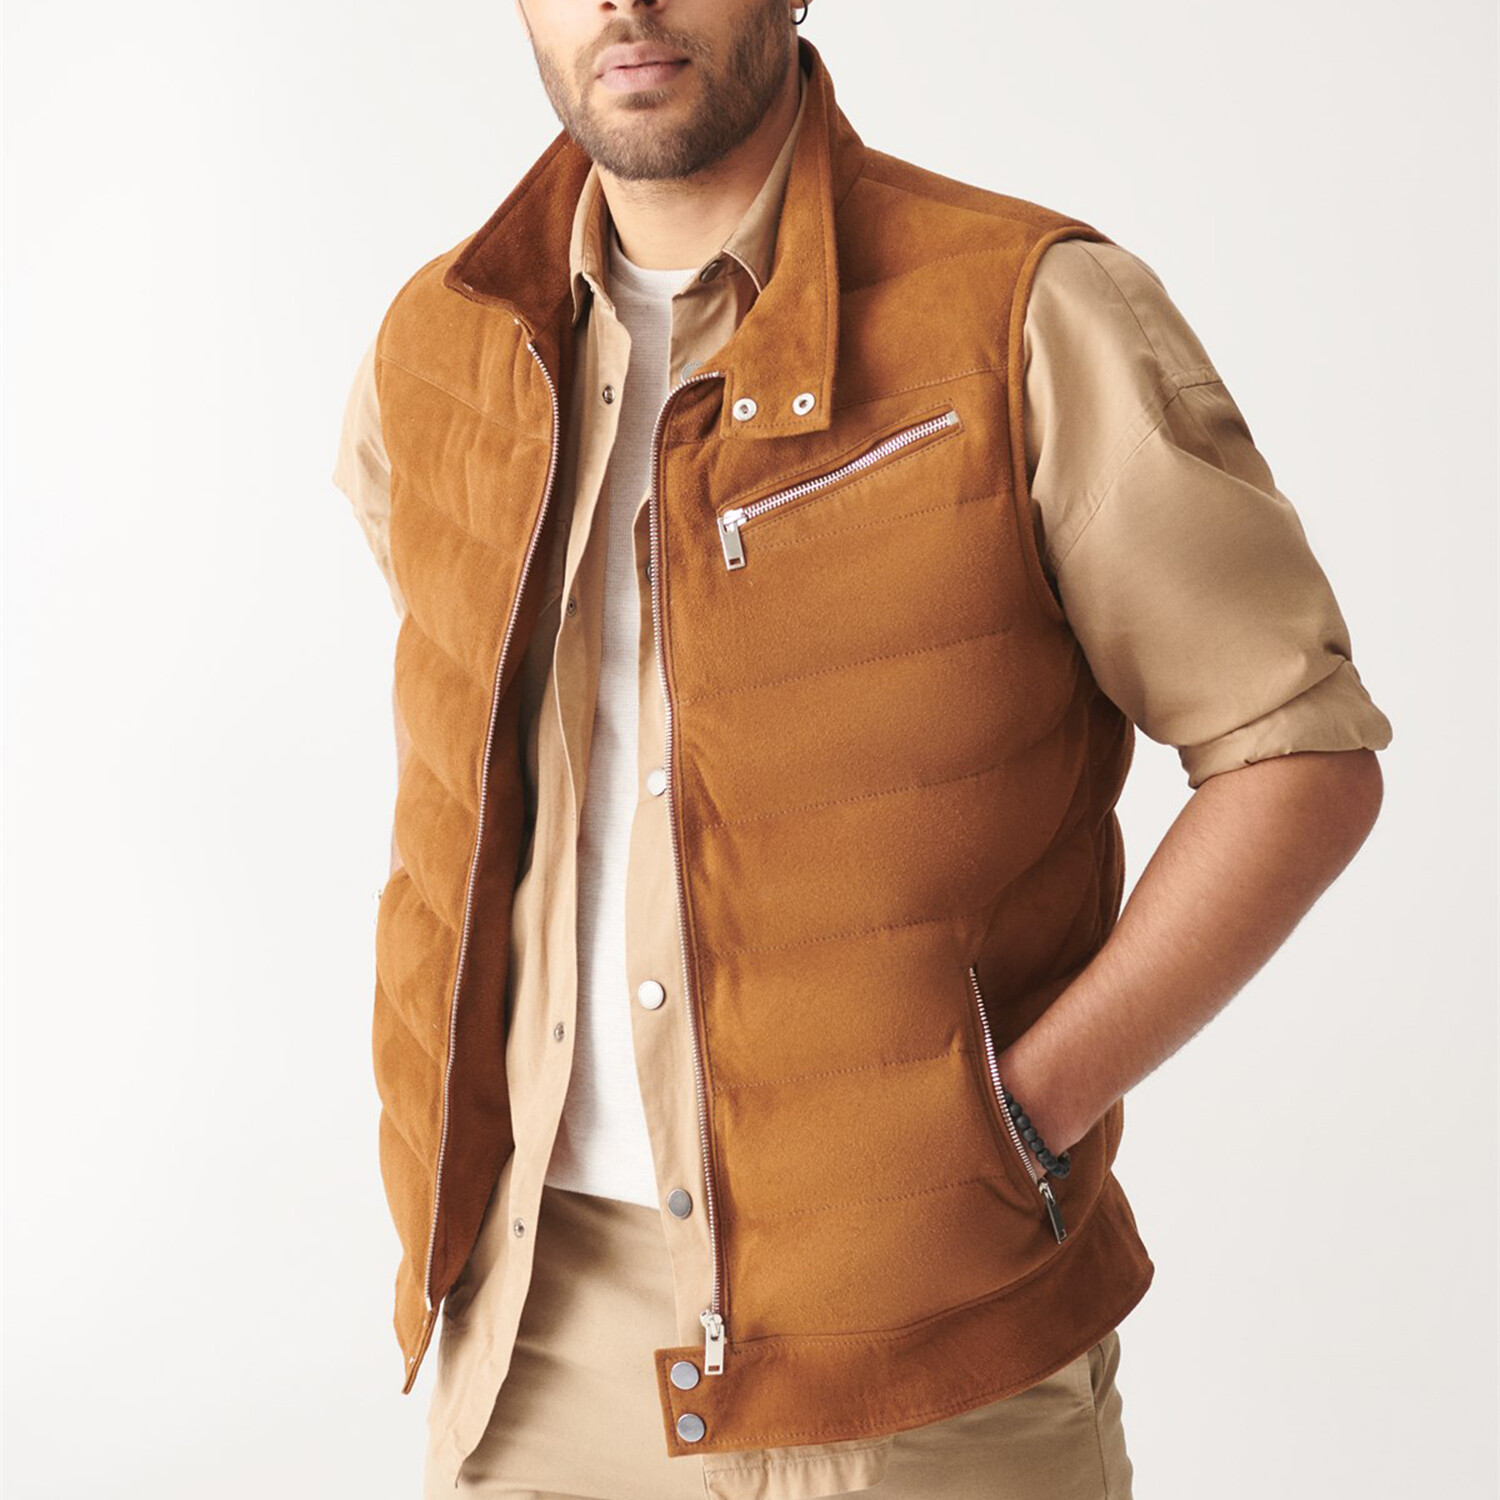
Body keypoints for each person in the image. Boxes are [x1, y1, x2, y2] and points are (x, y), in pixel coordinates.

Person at [331, 4, 1393, 1496]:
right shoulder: (443, 348)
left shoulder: (1028, 314)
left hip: (927, 1372)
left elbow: (1294, 752)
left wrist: (1018, 1117)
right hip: (528, 1348)